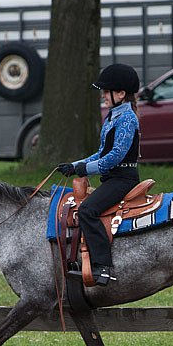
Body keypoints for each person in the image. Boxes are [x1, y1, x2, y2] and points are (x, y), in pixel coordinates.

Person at [57, 63, 141, 286]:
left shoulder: (128, 119)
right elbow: (101, 152)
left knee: (87, 210)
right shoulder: (113, 117)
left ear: (121, 94)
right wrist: (75, 165)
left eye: (107, 92)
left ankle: (103, 267)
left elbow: (114, 156)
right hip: (112, 178)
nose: (103, 96)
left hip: (123, 179)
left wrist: (86, 169)